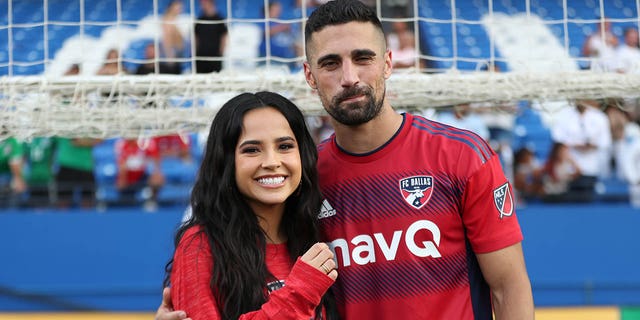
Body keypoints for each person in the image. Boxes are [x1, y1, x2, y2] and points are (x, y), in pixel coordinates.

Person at [157, 1, 534, 319]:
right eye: (331, 63)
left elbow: (508, 286)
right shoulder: (301, 179)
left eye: (363, 58)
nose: (349, 77)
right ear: (309, 74)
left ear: (388, 63)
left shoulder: (461, 155)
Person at [165, 91, 337, 319]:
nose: (272, 162)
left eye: (284, 146)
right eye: (252, 150)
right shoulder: (200, 245)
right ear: (226, 162)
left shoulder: (314, 235)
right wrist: (300, 293)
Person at [194, 0, 228, 73]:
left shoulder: (219, 19)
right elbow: (196, 38)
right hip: (201, 56)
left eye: (204, 3)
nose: (202, 5)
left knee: (216, 80)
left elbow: (224, 37)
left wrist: (220, 53)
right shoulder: (199, 19)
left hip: (215, 56)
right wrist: (196, 52)